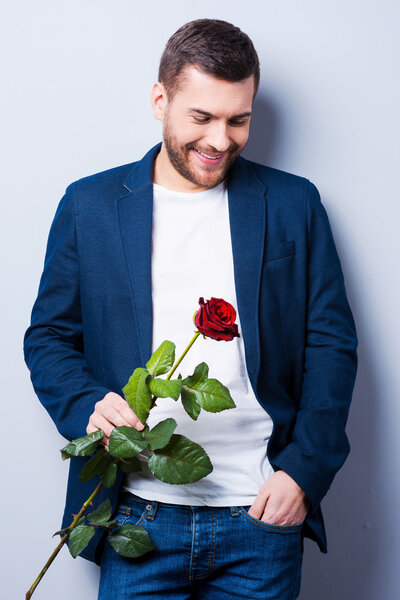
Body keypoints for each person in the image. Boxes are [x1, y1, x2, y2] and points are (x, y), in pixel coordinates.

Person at [23, 18, 358, 600]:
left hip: (260, 518)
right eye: (201, 117)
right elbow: (48, 336)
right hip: (136, 516)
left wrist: (304, 472)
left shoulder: (294, 203)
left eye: (238, 119)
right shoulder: (90, 205)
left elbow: (331, 346)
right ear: (160, 99)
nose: (220, 140)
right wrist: (86, 406)